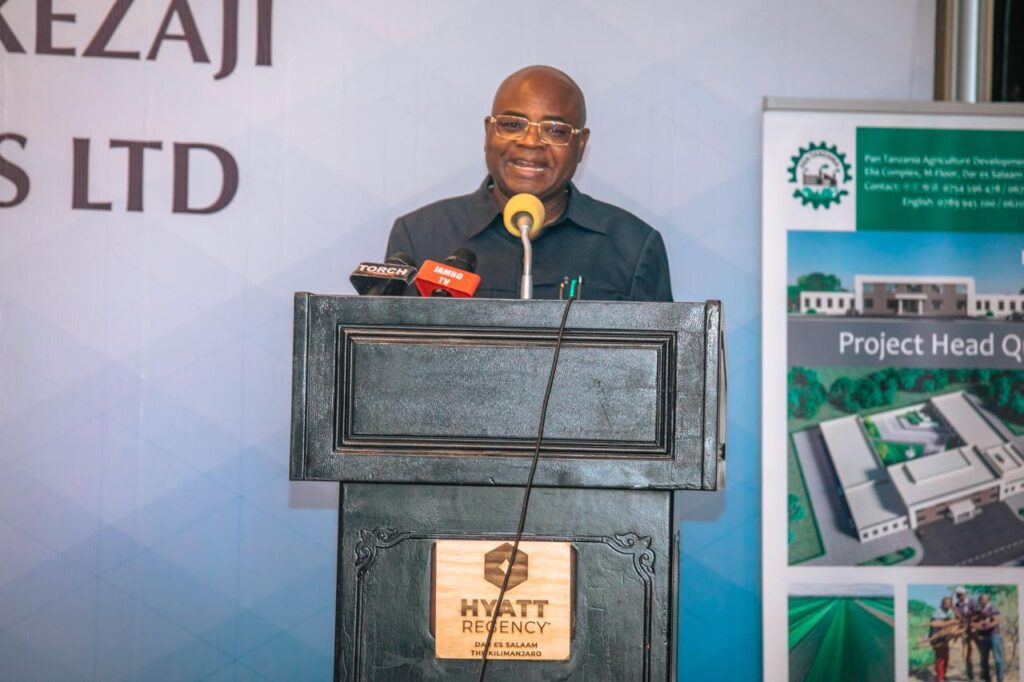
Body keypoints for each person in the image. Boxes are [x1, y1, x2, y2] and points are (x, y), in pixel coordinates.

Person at [386, 65, 673, 301]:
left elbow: (661, 352)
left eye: (555, 130)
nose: (531, 142)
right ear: (488, 132)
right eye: (513, 124)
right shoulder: (420, 236)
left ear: (581, 145)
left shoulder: (633, 247)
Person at [974, 593, 1005, 682]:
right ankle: (987, 679)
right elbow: (975, 623)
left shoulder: (992, 608)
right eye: (981, 599)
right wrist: (977, 627)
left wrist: (984, 627)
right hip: (983, 637)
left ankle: (1000, 679)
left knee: (998, 659)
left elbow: (996, 621)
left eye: (984, 599)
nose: (983, 600)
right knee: (984, 660)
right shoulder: (978, 611)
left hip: (993, 635)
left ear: (988, 599)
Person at [928, 596, 959, 682]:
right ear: (942, 604)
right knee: (940, 658)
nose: (948, 605)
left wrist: (954, 609)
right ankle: (939, 678)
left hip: (944, 638)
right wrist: (933, 639)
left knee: (945, 657)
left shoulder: (948, 613)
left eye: (949, 604)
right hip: (937, 638)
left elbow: (957, 619)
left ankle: (942, 675)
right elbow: (934, 627)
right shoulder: (937, 613)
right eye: (946, 603)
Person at [955, 586, 977, 681]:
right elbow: (957, 617)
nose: (959, 596)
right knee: (968, 653)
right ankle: (970, 675)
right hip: (964, 628)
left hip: (973, 626)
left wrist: (973, 624)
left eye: (961, 594)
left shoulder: (972, 602)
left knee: (974, 649)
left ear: (965, 594)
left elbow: (975, 613)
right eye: (958, 595)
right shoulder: (957, 605)